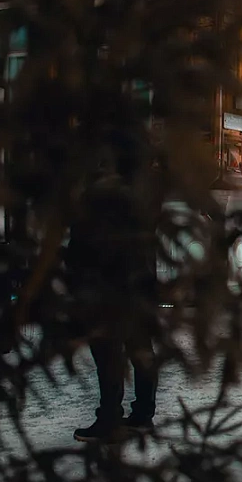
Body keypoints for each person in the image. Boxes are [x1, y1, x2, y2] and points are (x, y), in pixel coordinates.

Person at [67, 154, 160, 443]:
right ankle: (143, 415)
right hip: (140, 283)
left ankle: (110, 420)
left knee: (108, 353)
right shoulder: (140, 193)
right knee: (139, 349)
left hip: (108, 288)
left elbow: (83, 247)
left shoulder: (95, 199)